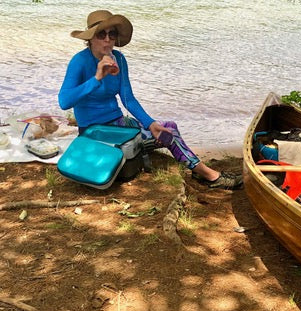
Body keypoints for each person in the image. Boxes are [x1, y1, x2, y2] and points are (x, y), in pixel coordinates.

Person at [59, 10, 242, 190]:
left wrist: (150, 123)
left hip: (120, 125)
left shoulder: (119, 60)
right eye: (101, 34)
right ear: (90, 38)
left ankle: (193, 168)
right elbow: (64, 101)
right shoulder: (80, 62)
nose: (107, 39)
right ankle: (209, 176)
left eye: (112, 34)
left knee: (167, 127)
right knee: (170, 135)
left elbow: (128, 99)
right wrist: (96, 78)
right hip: (95, 133)